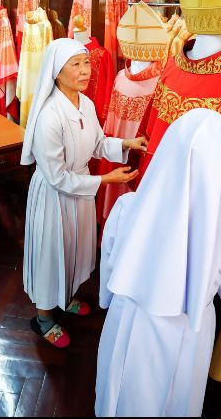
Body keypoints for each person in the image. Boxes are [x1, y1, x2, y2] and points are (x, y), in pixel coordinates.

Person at [95, 108, 221, 417]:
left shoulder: (127, 208)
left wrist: (107, 298)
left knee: (115, 389)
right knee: (172, 399)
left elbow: (110, 269)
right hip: (185, 333)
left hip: (125, 317)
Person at [21, 38, 147, 348]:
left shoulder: (85, 104)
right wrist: (105, 179)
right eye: (75, 64)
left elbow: (98, 143)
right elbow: (56, 177)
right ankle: (44, 318)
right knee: (53, 254)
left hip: (80, 190)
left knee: (76, 250)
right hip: (54, 196)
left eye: (86, 62)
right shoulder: (49, 116)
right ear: (56, 71)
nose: (84, 70)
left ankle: (66, 298)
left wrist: (126, 144)